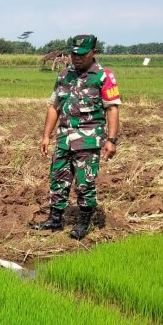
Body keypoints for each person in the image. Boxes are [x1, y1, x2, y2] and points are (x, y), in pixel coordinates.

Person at [31, 34, 121, 239]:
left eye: (82, 54)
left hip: (88, 140)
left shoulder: (104, 76)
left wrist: (111, 140)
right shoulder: (64, 75)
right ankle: (55, 220)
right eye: (74, 54)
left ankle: (83, 222)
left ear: (93, 53)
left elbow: (112, 109)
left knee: (84, 182)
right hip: (64, 139)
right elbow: (54, 106)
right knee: (58, 179)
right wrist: (46, 136)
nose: (77, 58)